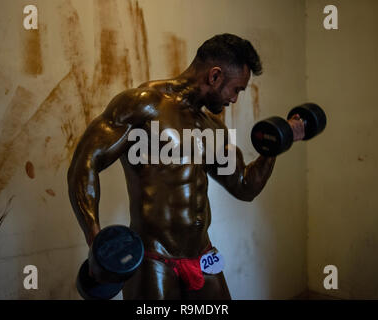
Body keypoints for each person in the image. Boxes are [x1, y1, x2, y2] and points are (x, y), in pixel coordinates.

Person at [67, 33, 304, 299]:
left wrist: (276, 144)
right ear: (215, 76)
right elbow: (85, 163)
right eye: (236, 89)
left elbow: (244, 187)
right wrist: (95, 237)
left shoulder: (213, 127)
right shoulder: (144, 105)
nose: (235, 99)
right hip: (153, 259)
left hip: (202, 255)